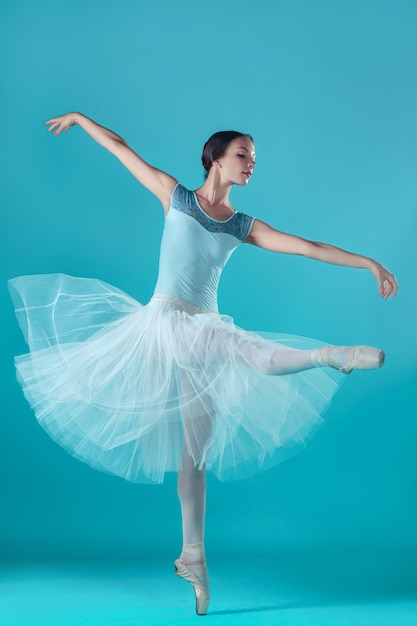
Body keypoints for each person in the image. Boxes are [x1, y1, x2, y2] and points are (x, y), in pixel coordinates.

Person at [9, 113, 398, 616]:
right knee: (251, 355)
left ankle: (193, 555)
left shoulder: (242, 225)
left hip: (205, 330)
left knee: (196, 457)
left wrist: (369, 262)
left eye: (255, 159)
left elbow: (308, 248)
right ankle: (329, 356)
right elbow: (122, 146)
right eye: (243, 155)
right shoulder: (176, 197)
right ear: (215, 156)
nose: (251, 165)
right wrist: (82, 120)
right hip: (165, 323)